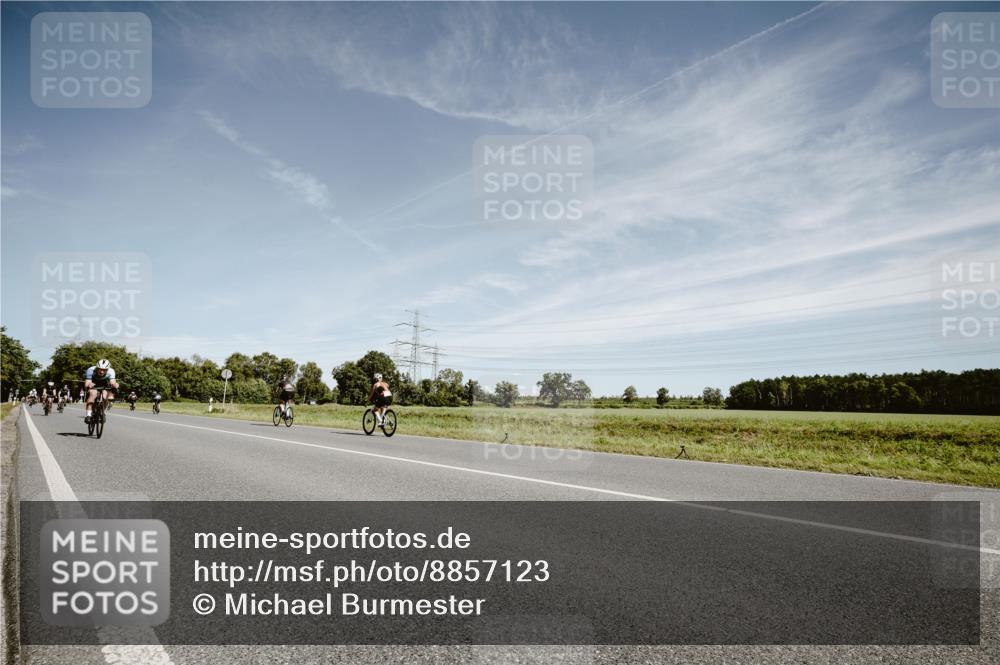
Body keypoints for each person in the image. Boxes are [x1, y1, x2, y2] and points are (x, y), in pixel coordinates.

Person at [84, 359, 119, 424]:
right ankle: (88, 415)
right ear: (97, 368)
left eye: (104, 370)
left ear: (107, 369)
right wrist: (89, 384)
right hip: (94, 383)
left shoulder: (111, 371)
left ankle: (103, 412)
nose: (102, 372)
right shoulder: (91, 370)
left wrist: (115, 385)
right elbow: (87, 383)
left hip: (104, 384)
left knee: (105, 396)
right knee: (93, 394)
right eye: (100, 369)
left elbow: (112, 382)